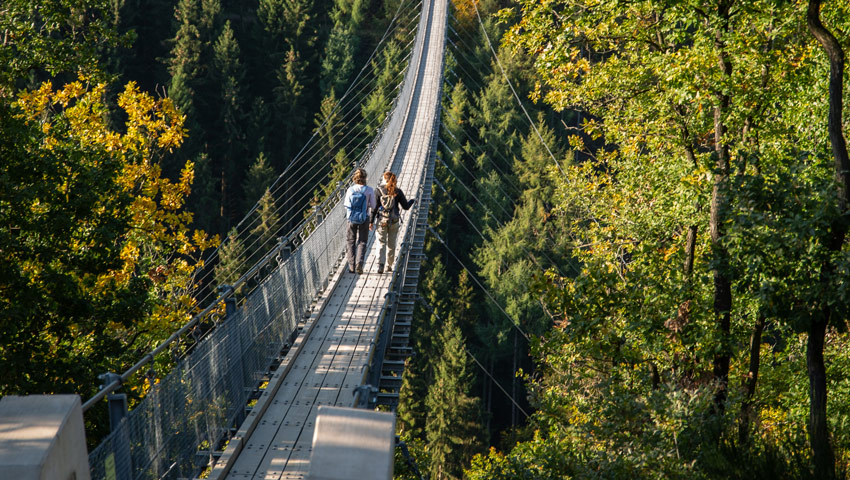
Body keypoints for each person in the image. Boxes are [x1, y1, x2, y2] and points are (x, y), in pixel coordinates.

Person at [371, 171, 415, 274]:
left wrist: (371, 222)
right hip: (394, 221)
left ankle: (380, 265)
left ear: (384, 179)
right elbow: (406, 207)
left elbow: (374, 208)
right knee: (391, 244)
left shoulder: (378, 191)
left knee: (381, 243)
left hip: (382, 221)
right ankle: (388, 266)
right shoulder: (398, 191)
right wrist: (412, 200)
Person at [343, 168, 376, 274]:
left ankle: (351, 266)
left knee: (350, 241)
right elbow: (374, 206)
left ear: (355, 178)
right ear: (365, 178)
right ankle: (359, 264)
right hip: (364, 218)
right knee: (362, 241)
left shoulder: (350, 190)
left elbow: (347, 205)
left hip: (351, 218)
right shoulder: (369, 190)